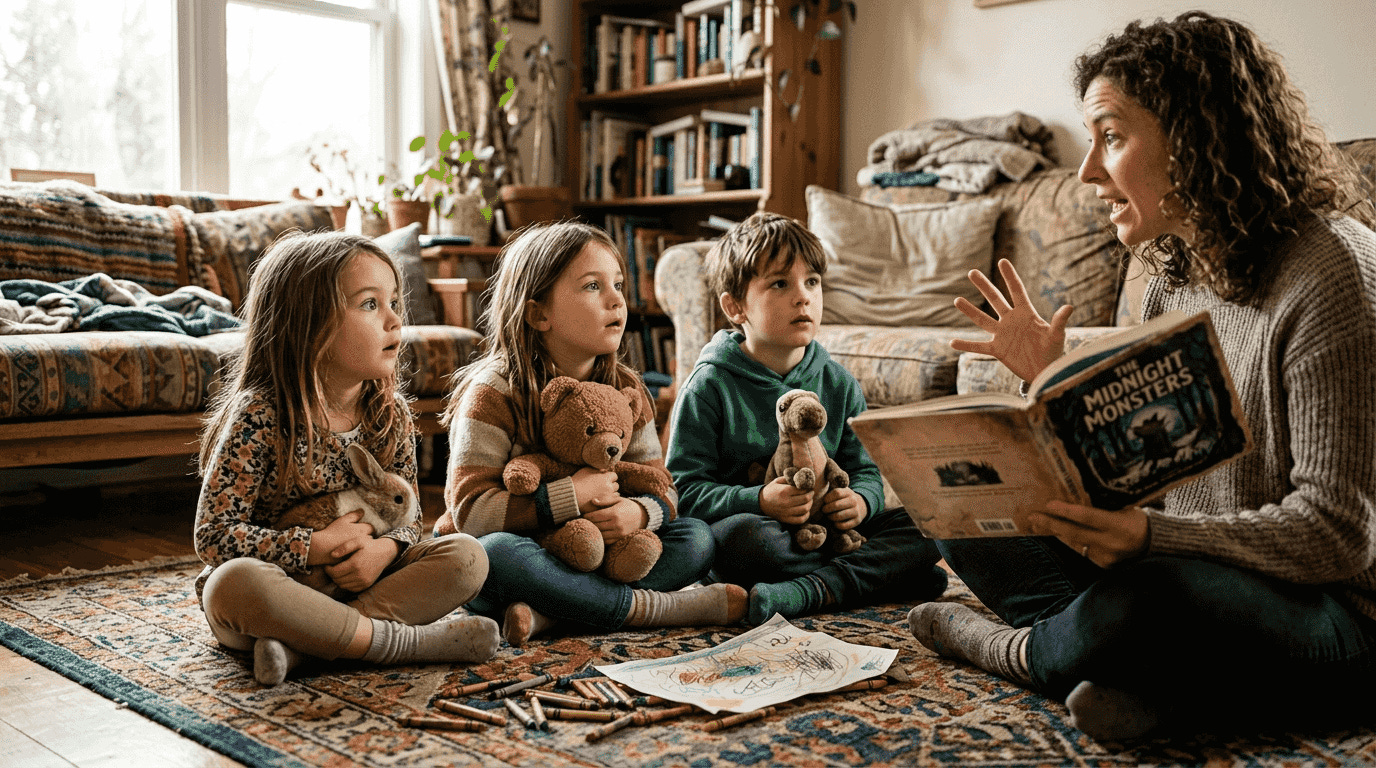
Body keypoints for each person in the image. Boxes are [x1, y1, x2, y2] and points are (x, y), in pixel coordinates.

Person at [907, 11, 1376, 741]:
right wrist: (1055, 389)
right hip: (1189, 572)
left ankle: (1030, 652)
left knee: (1148, 598)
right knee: (963, 506)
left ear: (1194, 139)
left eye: (1112, 136)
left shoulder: (1334, 272)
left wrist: (1151, 539)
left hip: (1333, 613)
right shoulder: (1170, 274)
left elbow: (1338, 538)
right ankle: (1144, 682)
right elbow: (1144, 481)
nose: (1088, 169)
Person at [195, 231, 499, 687]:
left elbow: (409, 518)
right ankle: (405, 644)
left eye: (394, 301)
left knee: (468, 556)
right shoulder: (259, 415)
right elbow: (213, 536)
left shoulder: (389, 413)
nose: (395, 319)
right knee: (231, 584)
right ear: (310, 324)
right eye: (370, 304)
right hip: (281, 590)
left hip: (364, 584)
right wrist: (312, 547)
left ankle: (304, 648)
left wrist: (384, 550)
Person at [438, 222, 745, 646]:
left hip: (607, 555)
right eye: (592, 286)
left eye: (617, 284)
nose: (616, 298)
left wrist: (638, 514)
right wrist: (570, 495)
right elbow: (471, 514)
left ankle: (556, 614)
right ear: (538, 314)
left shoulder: (626, 389)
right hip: (529, 555)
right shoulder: (492, 393)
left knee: (697, 539)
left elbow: (663, 489)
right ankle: (653, 609)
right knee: (494, 555)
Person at [667, 212, 949, 625]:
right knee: (744, 541)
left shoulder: (838, 382)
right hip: (764, 535)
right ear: (735, 306)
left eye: (812, 281)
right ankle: (875, 579)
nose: (803, 297)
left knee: (931, 522)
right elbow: (684, 493)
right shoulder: (709, 386)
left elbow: (867, 472)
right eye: (780, 283)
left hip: (834, 536)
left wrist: (860, 502)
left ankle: (808, 591)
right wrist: (759, 500)